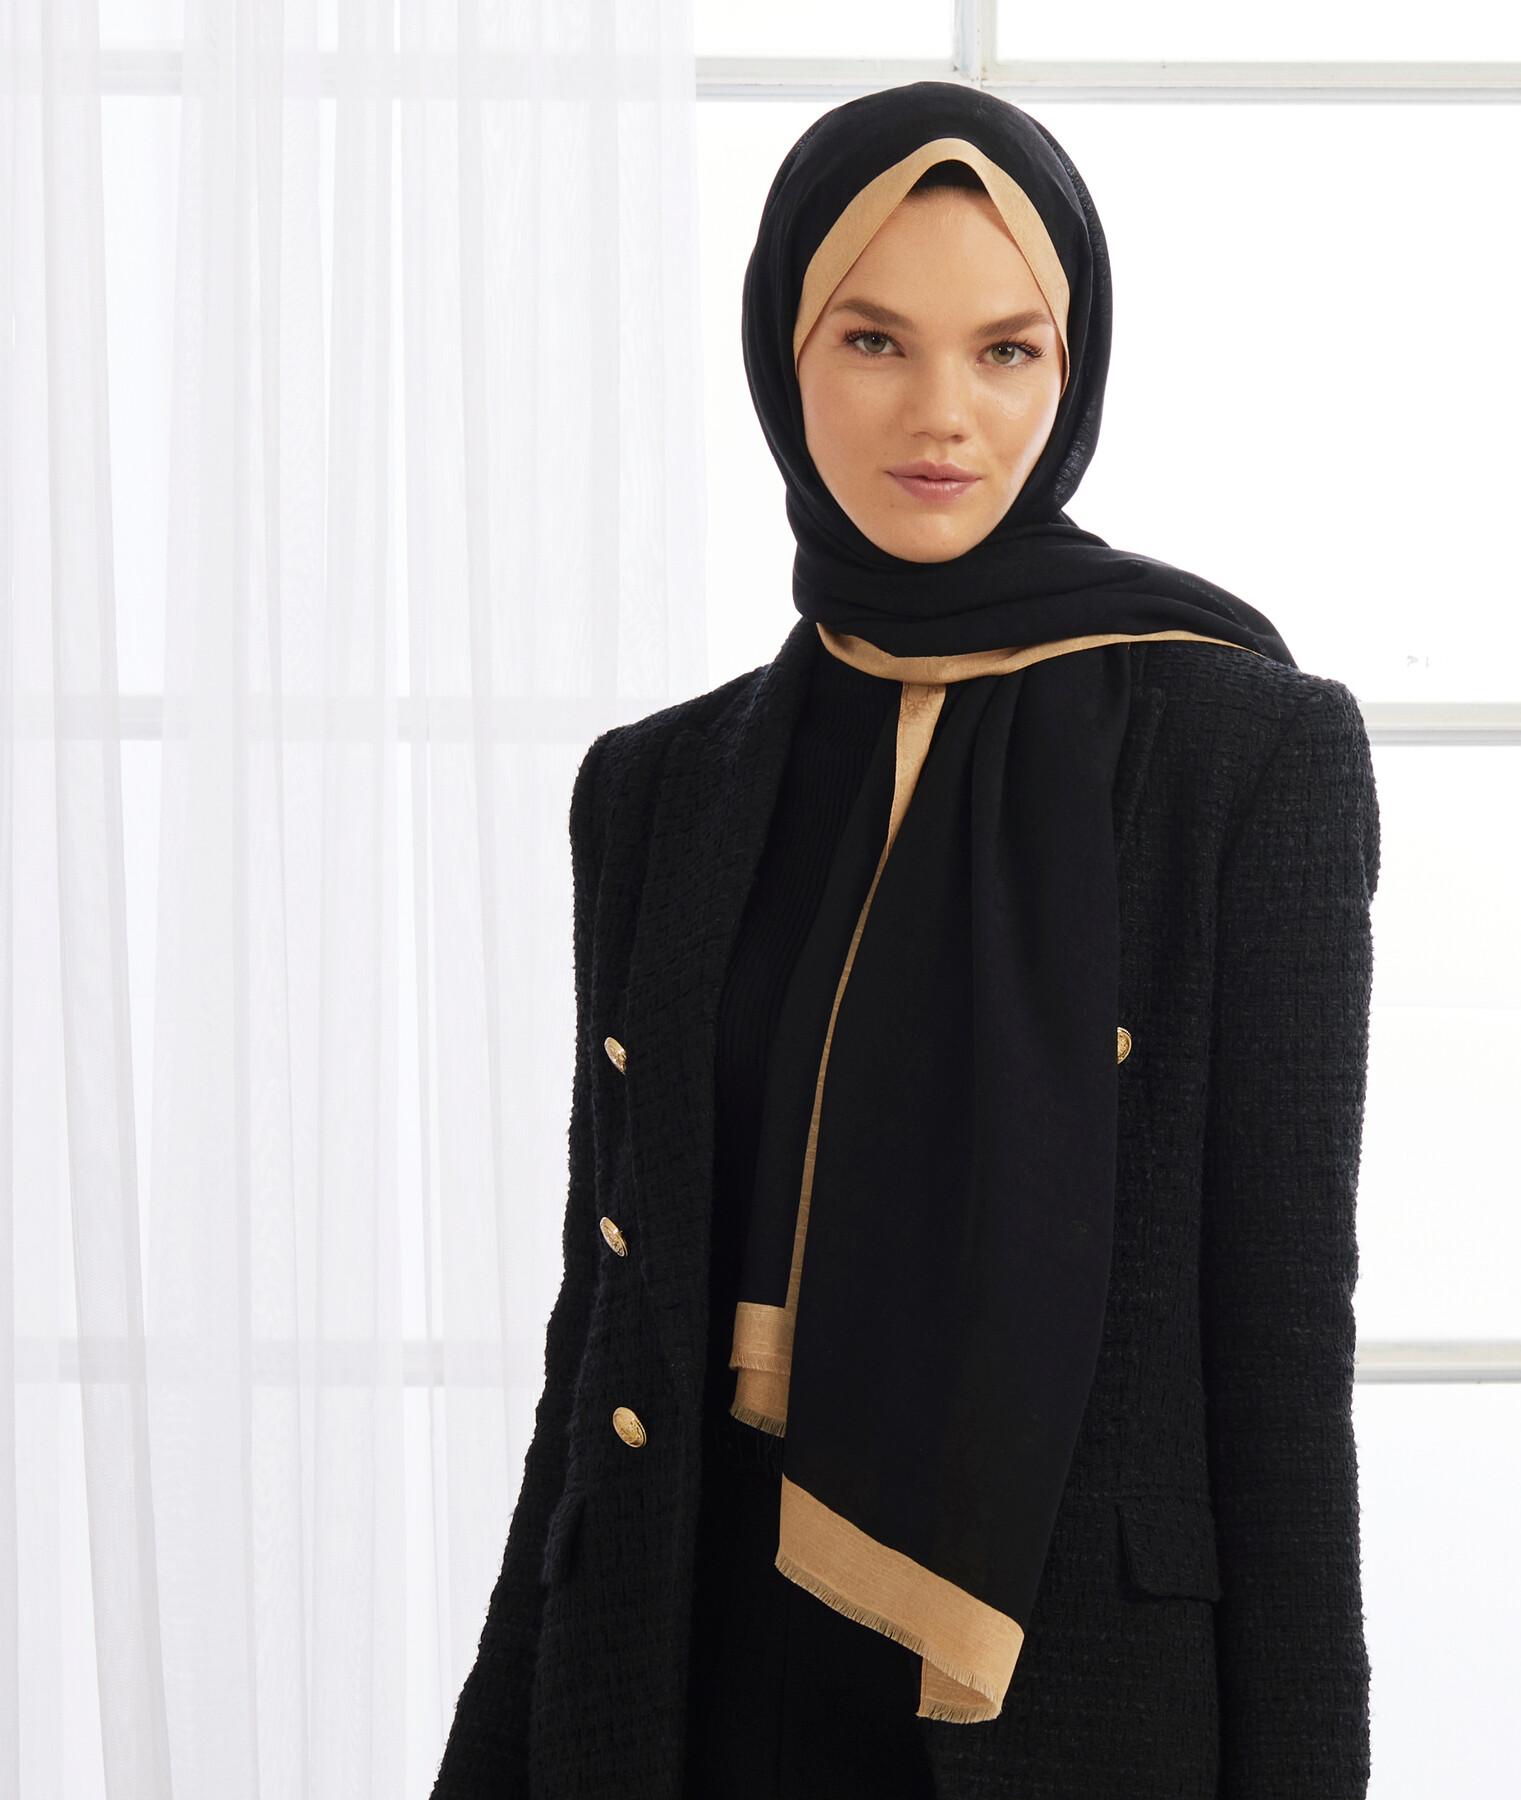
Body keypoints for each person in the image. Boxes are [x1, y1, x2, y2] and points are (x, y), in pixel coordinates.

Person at [431, 80, 1378, 1800]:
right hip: (683, 1666)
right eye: (874, 341)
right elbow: (602, 1338)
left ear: (1071, 372)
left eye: (1006, 351)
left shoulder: (1242, 757)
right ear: (781, 357)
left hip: (1068, 1696)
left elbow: (1281, 1357)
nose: (943, 414)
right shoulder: (654, 791)